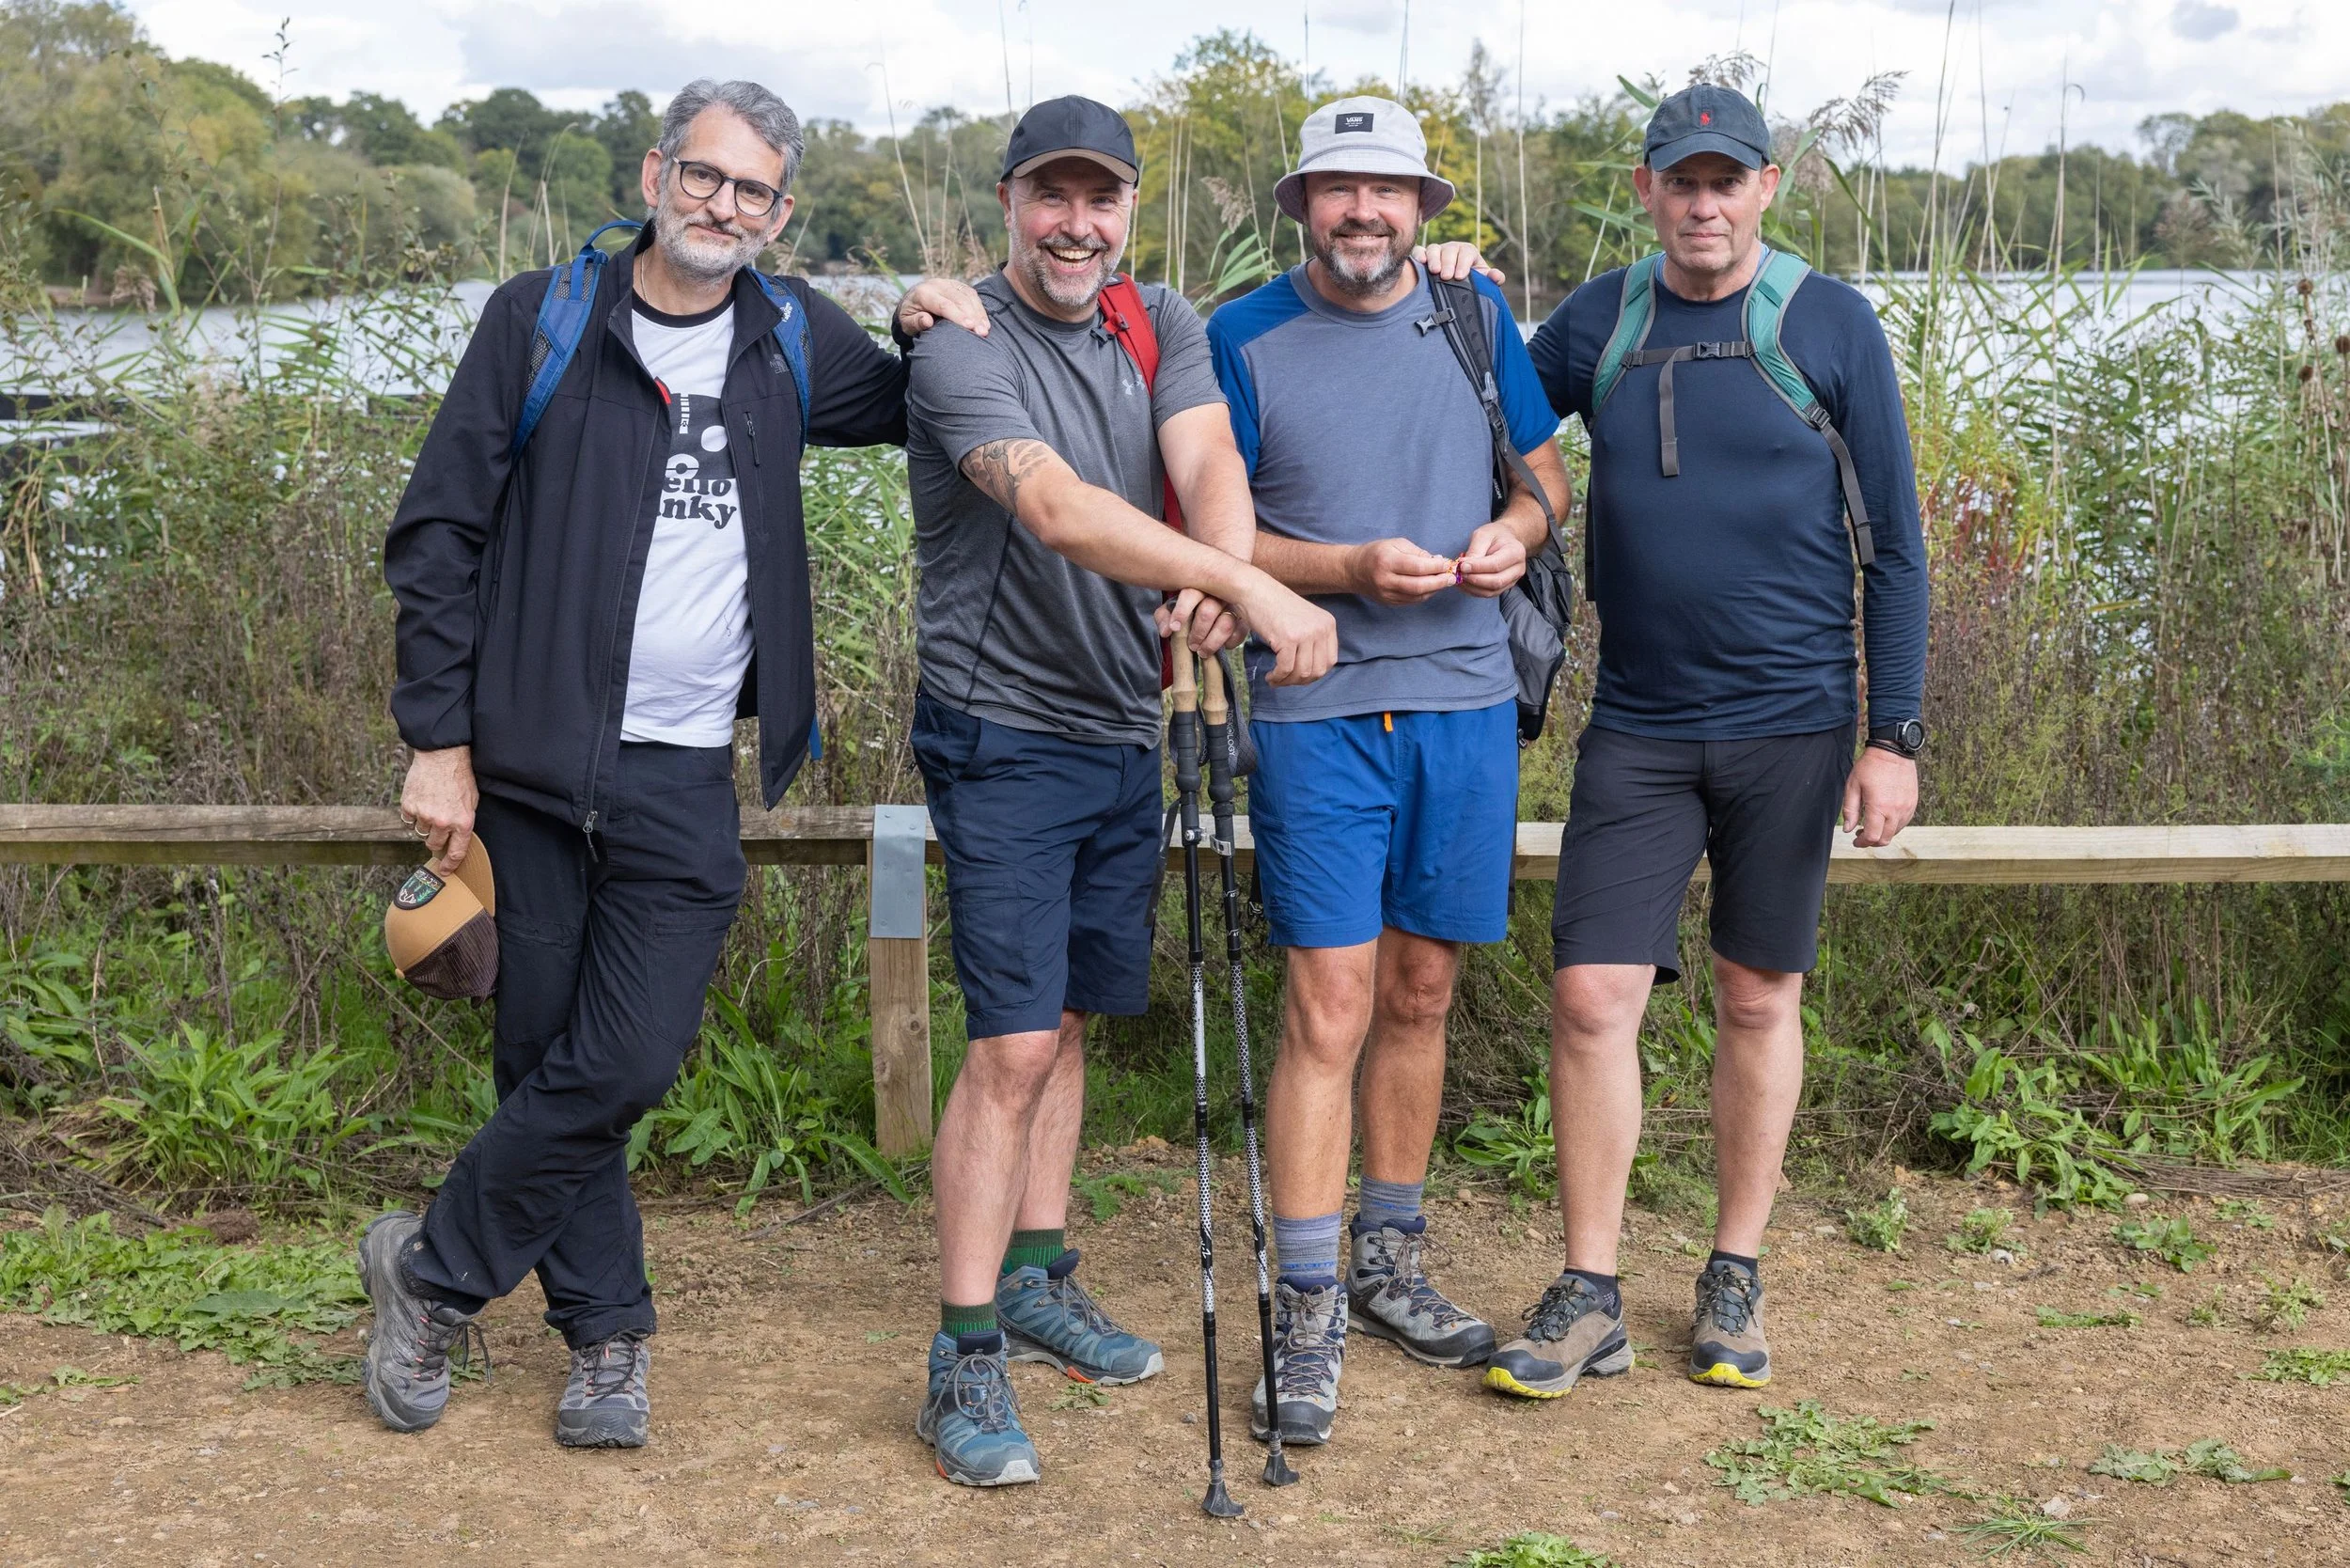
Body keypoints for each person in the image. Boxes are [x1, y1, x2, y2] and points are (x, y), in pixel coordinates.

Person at [374, 77, 982, 1450]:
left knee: (629, 1058)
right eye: (704, 176)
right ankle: (605, 1337)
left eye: (753, 190)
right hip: (524, 766)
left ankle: (429, 1271)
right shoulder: (542, 319)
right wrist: (437, 739)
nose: (723, 206)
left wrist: (928, 312)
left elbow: (909, 405)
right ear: (657, 172)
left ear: (781, 213)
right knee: (543, 1054)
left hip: (682, 772)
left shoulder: (789, 336)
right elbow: (439, 534)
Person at [899, 94, 1339, 1488]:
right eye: (1049, 197)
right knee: (1012, 1042)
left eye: (1100, 201)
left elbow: (1206, 458)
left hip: (1112, 729)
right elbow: (1053, 508)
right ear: (1009, 206)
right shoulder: (960, 341)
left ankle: (1035, 1274)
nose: (1075, 225)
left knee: (1070, 1021)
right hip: (1000, 728)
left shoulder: (1158, 320)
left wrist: (1215, 569)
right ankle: (962, 1348)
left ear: (1129, 211)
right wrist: (1242, 581)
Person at [1491, 83, 1928, 1402]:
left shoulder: (1826, 322)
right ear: (1645, 189)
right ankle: (1591, 1288)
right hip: (1639, 719)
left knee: (1756, 995)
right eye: (1679, 180)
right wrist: (1457, 283)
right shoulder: (1601, 320)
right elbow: (1481, 394)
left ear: (1768, 186)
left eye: (1725, 179)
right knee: (1589, 997)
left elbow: (1898, 549)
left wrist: (1893, 732)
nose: (1703, 202)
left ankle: (1733, 1270)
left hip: (1795, 725)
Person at [1203, 96, 1571, 1449]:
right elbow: (1220, 536)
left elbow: (1547, 484)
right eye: (1339, 191)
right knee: (1330, 1001)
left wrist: (1512, 533)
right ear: (1300, 202)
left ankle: (1388, 1258)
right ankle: (1304, 1298)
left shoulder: (1475, 320)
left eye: (1391, 192)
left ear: (1425, 205)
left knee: (1422, 988)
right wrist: (1348, 568)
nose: (1366, 213)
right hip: (1315, 709)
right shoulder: (1237, 335)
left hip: (1469, 702)